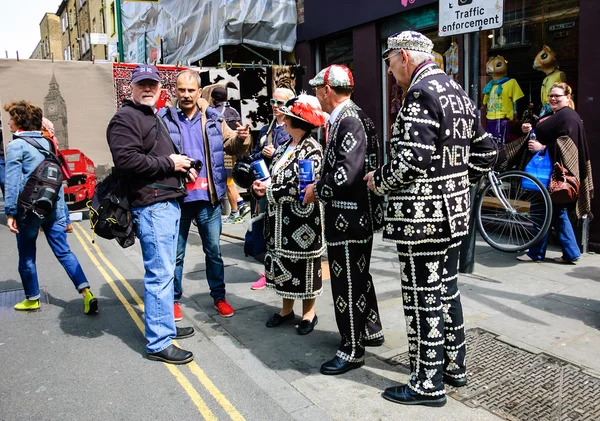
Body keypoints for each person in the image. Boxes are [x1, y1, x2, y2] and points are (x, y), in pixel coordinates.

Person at [364, 31, 497, 407]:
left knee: (423, 298)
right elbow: (487, 153)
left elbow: (410, 161)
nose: (391, 72)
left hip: (423, 220)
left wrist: (379, 182)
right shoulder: (457, 91)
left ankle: (427, 383)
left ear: (405, 56)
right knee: (447, 290)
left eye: (390, 62)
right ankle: (454, 367)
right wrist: (457, 185)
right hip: (453, 215)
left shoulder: (421, 93)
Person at [107, 64, 196, 364]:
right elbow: (126, 160)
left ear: (160, 90)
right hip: (152, 206)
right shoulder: (125, 118)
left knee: (166, 271)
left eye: (153, 85)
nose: (148, 89)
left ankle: (164, 327)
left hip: (167, 203)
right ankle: (158, 341)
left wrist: (184, 165)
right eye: (142, 84)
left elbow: (159, 157)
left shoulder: (150, 117)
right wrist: (171, 164)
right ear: (129, 88)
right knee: (159, 274)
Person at [303, 64, 386, 375]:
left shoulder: (348, 120)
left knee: (346, 280)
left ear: (327, 90)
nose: (316, 95)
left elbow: (346, 174)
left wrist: (317, 188)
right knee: (359, 274)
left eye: (317, 89)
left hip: (348, 215)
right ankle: (371, 328)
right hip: (358, 213)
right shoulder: (356, 115)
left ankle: (351, 348)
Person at [158, 70, 251, 321]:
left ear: (199, 91)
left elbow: (232, 143)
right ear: (175, 91)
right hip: (177, 199)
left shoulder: (212, 117)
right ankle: (174, 299)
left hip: (208, 198)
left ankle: (219, 297)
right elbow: (155, 154)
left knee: (214, 252)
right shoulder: (164, 118)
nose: (186, 95)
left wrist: (243, 138)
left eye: (191, 90)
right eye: (181, 90)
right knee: (175, 254)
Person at [3, 100, 98, 314]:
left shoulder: (16, 145)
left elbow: (12, 183)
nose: (8, 122)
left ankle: (32, 298)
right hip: (52, 209)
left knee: (27, 256)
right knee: (64, 252)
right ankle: (86, 292)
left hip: (28, 212)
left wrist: (11, 213)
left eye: (11, 118)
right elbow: (56, 183)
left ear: (19, 121)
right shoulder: (47, 144)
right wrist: (63, 215)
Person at [251, 94, 325, 334]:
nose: (285, 120)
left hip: (302, 221)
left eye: (289, 117)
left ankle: (308, 314)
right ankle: (286, 310)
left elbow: (303, 187)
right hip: (279, 221)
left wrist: (269, 189)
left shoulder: (313, 149)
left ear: (297, 122)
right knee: (282, 265)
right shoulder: (284, 146)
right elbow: (272, 175)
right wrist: (260, 185)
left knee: (304, 267)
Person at [517, 82, 593, 264]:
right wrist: (529, 129)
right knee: (557, 212)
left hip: (552, 175)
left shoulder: (567, 116)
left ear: (568, 98)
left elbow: (567, 144)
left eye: (557, 96)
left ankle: (535, 253)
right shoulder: (559, 115)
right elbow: (548, 131)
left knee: (540, 210)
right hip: (551, 173)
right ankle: (571, 253)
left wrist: (542, 147)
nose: (553, 98)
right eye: (551, 95)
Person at [248, 87, 295, 290]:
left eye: (281, 103)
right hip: (265, 186)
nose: (276, 107)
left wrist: (276, 154)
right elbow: (255, 156)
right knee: (266, 229)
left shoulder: (294, 128)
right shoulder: (265, 129)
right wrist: (263, 154)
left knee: (284, 231)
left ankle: (286, 270)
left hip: (284, 188)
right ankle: (269, 272)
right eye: (273, 102)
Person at [210, 86, 250, 224]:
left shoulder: (214, 112)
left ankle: (235, 211)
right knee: (230, 179)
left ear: (213, 98)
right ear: (226, 98)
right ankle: (239, 203)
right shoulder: (233, 111)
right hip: (236, 149)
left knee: (227, 181)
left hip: (224, 152)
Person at [41, 117, 73, 233]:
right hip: (54, 168)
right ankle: (67, 223)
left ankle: (60, 223)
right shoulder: (52, 137)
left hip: (47, 169)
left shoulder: (44, 137)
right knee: (59, 196)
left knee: (54, 196)